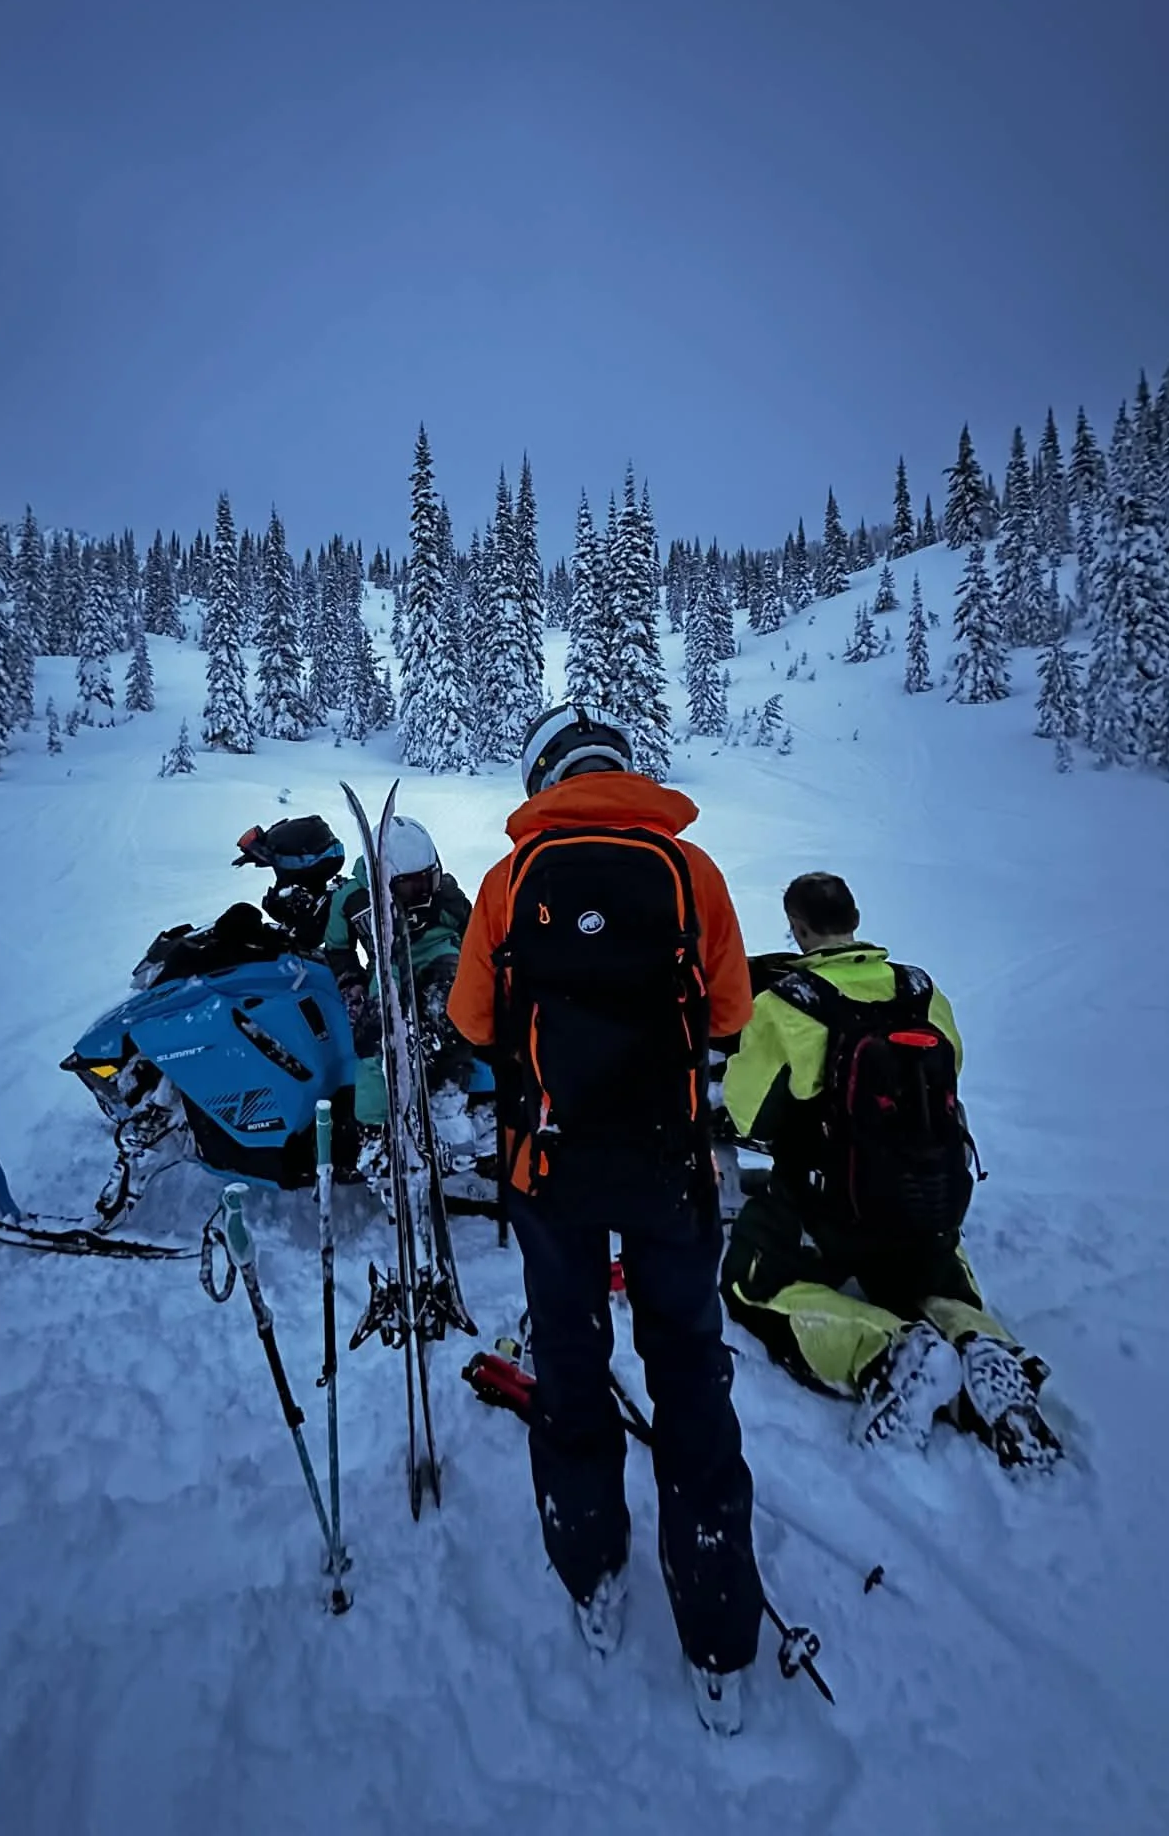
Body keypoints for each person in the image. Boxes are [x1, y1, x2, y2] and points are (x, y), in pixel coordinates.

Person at [448, 703, 764, 1736]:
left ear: (544, 775)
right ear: (623, 769)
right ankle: (717, 1630)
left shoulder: (508, 881)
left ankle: (592, 1568)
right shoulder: (690, 871)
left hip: (549, 1170)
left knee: (573, 1368)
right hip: (673, 1173)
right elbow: (729, 1014)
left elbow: (470, 1021)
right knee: (688, 1369)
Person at [721, 872, 1060, 1470]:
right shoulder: (920, 990)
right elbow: (948, 1073)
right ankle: (981, 1343)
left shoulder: (788, 1004)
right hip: (927, 1201)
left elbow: (750, 1113)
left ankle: (888, 1351)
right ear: (854, 917)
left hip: (830, 1210)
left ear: (798, 929)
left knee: (753, 1283)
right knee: (935, 1281)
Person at [324, 814, 475, 1129]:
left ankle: (446, 1099)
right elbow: (338, 947)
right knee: (375, 1029)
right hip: (386, 961)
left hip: (440, 953)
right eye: (410, 885)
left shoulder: (445, 894)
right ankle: (376, 1123)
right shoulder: (353, 898)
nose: (423, 892)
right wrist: (350, 981)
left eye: (428, 880)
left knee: (449, 1008)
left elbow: (474, 933)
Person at [231, 816, 348, 953]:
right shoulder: (279, 839)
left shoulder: (277, 848)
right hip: (323, 861)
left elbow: (290, 872)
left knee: (285, 902)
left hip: (319, 863)